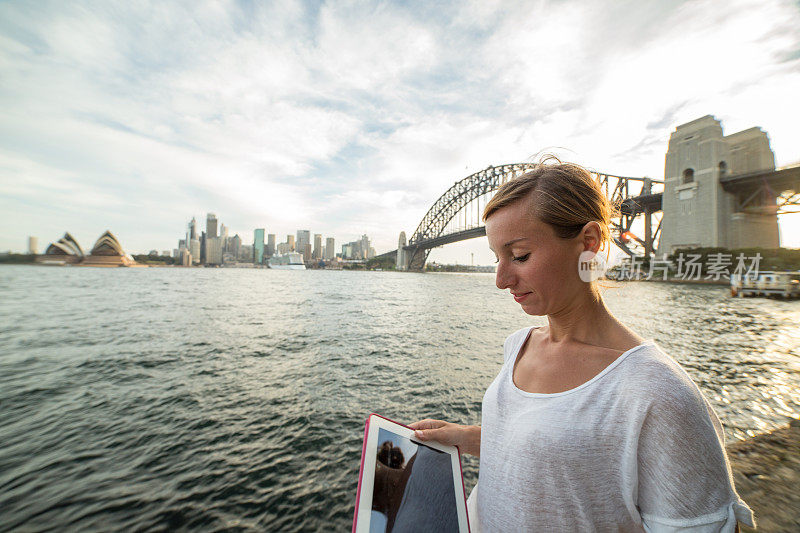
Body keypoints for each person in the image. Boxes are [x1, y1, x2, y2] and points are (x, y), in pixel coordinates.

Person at [409, 161, 755, 532]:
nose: (501, 279)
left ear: (589, 242)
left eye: (520, 255)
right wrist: (463, 437)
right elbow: (561, 447)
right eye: (497, 258)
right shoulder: (519, 345)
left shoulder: (656, 391)